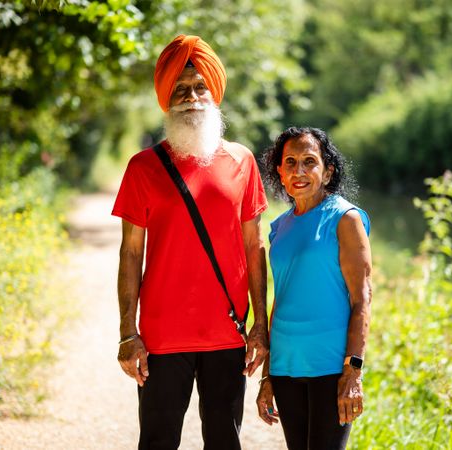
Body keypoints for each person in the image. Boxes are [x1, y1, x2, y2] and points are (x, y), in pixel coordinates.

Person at [111, 34, 269, 450]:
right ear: (167, 99)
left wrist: (261, 328)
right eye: (181, 89)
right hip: (162, 336)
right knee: (158, 441)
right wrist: (129, 332)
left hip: (228, 332)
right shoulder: (143, 167)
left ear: (213, 93)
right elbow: (130, 254)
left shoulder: (242, 161)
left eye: (200, 86)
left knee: (224, 441)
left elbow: (255, 249)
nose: (192, 96)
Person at [256, 127, 372, 450]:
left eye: (310, 162)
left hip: (331, 369)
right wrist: (267, 375)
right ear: (279, 172)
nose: (300, 171)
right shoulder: (279, 227)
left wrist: (354, 371)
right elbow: (281, 299)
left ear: (328, 170)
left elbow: (362, 299)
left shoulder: (345, 219)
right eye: (290, 162)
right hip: (285, 368)